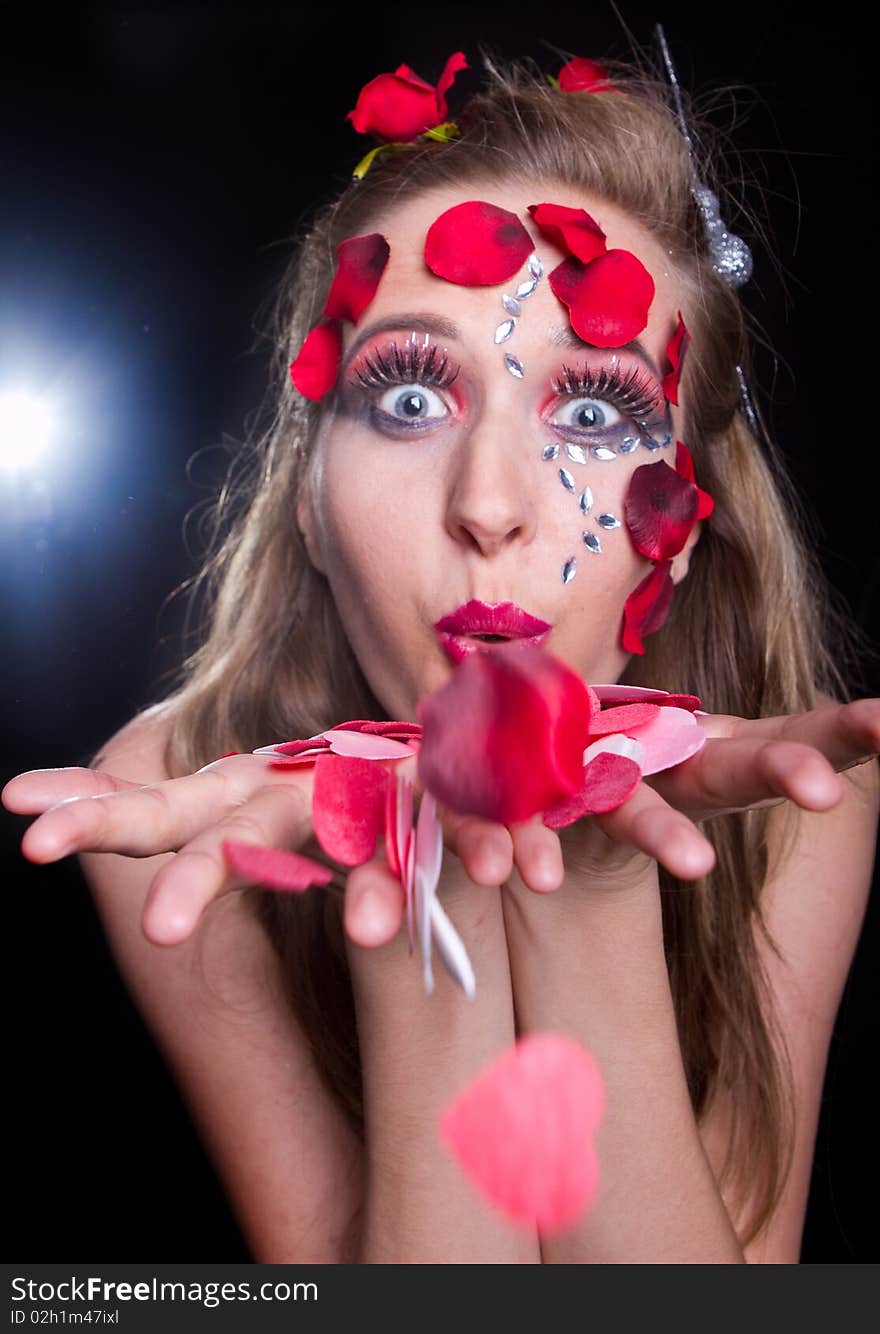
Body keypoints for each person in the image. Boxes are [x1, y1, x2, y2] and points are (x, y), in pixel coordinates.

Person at [3, 49, 878, 1264]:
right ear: (305, 500)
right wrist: (421, 875)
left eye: (590, 415)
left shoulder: (803, 798)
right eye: (411, 399)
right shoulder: (171, 798)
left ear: (675, 542)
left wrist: (596, 860)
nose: (488, 503)